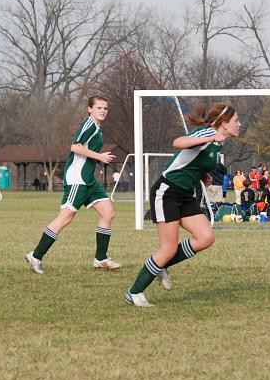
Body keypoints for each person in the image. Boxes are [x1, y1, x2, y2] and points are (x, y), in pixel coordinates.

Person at [124, 102, 241, 307]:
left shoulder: (218, 142)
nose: (240, 124)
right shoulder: (208, 134)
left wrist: (202, 174)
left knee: (205, 237)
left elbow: (189, 159)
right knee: (168, 249)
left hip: (185, 194)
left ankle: (159, 265)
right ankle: (134, 292)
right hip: (167, 192)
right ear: (223, 123)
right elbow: (178, 143)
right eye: (236, 120)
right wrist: (208, 137)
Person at [25, 95, 120, 275]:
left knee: (108, 213)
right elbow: (75, 147)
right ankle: (35, 256)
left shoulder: (98, 129)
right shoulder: (88, 125)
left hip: (88, 180)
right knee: (65, 218)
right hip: (77, 179)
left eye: (105, 108)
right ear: (89, 109)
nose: (103, 111)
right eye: (99, 108)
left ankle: (100, 259)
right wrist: (99, 157)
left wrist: (98, 158)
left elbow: (85, 151)